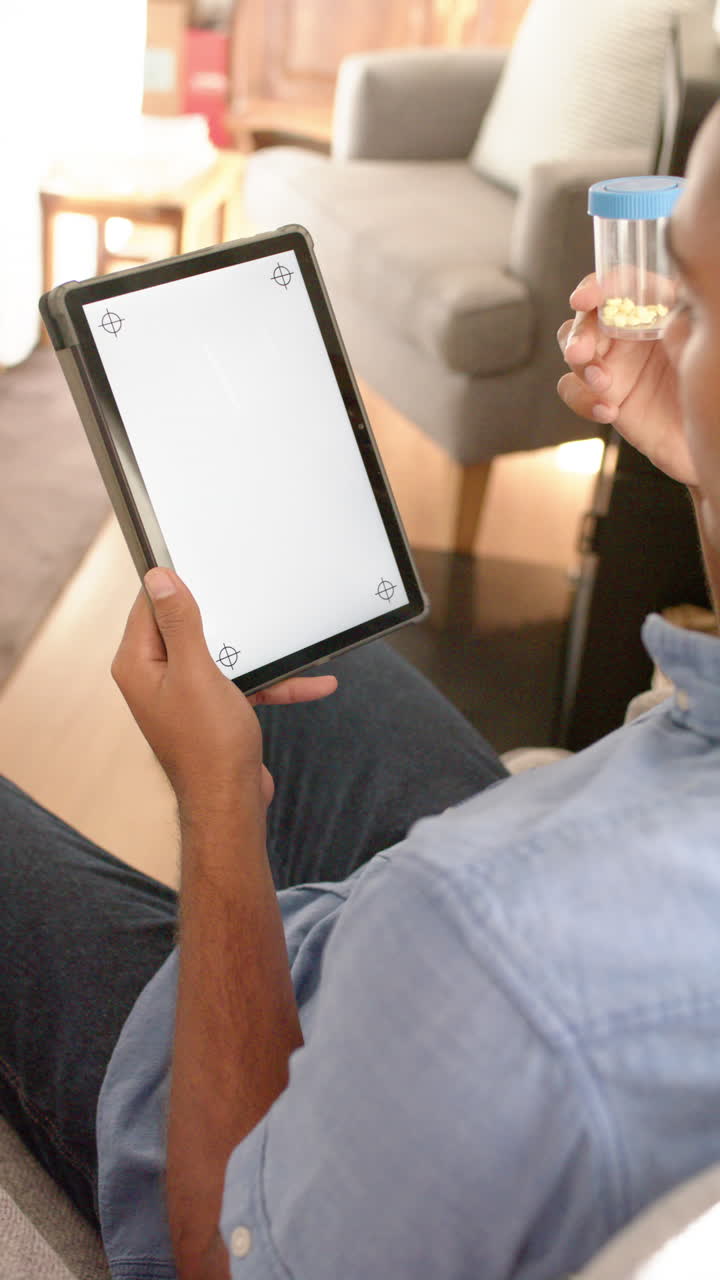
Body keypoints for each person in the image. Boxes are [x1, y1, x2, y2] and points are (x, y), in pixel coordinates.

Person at [2, 103, 720, 1280]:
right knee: (322, 657)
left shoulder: (482, 936)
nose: (668, 319)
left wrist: (221, 801)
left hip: (277, 1115)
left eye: (696, 300)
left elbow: (222, 1248)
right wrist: (701, 462)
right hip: (493, 927)